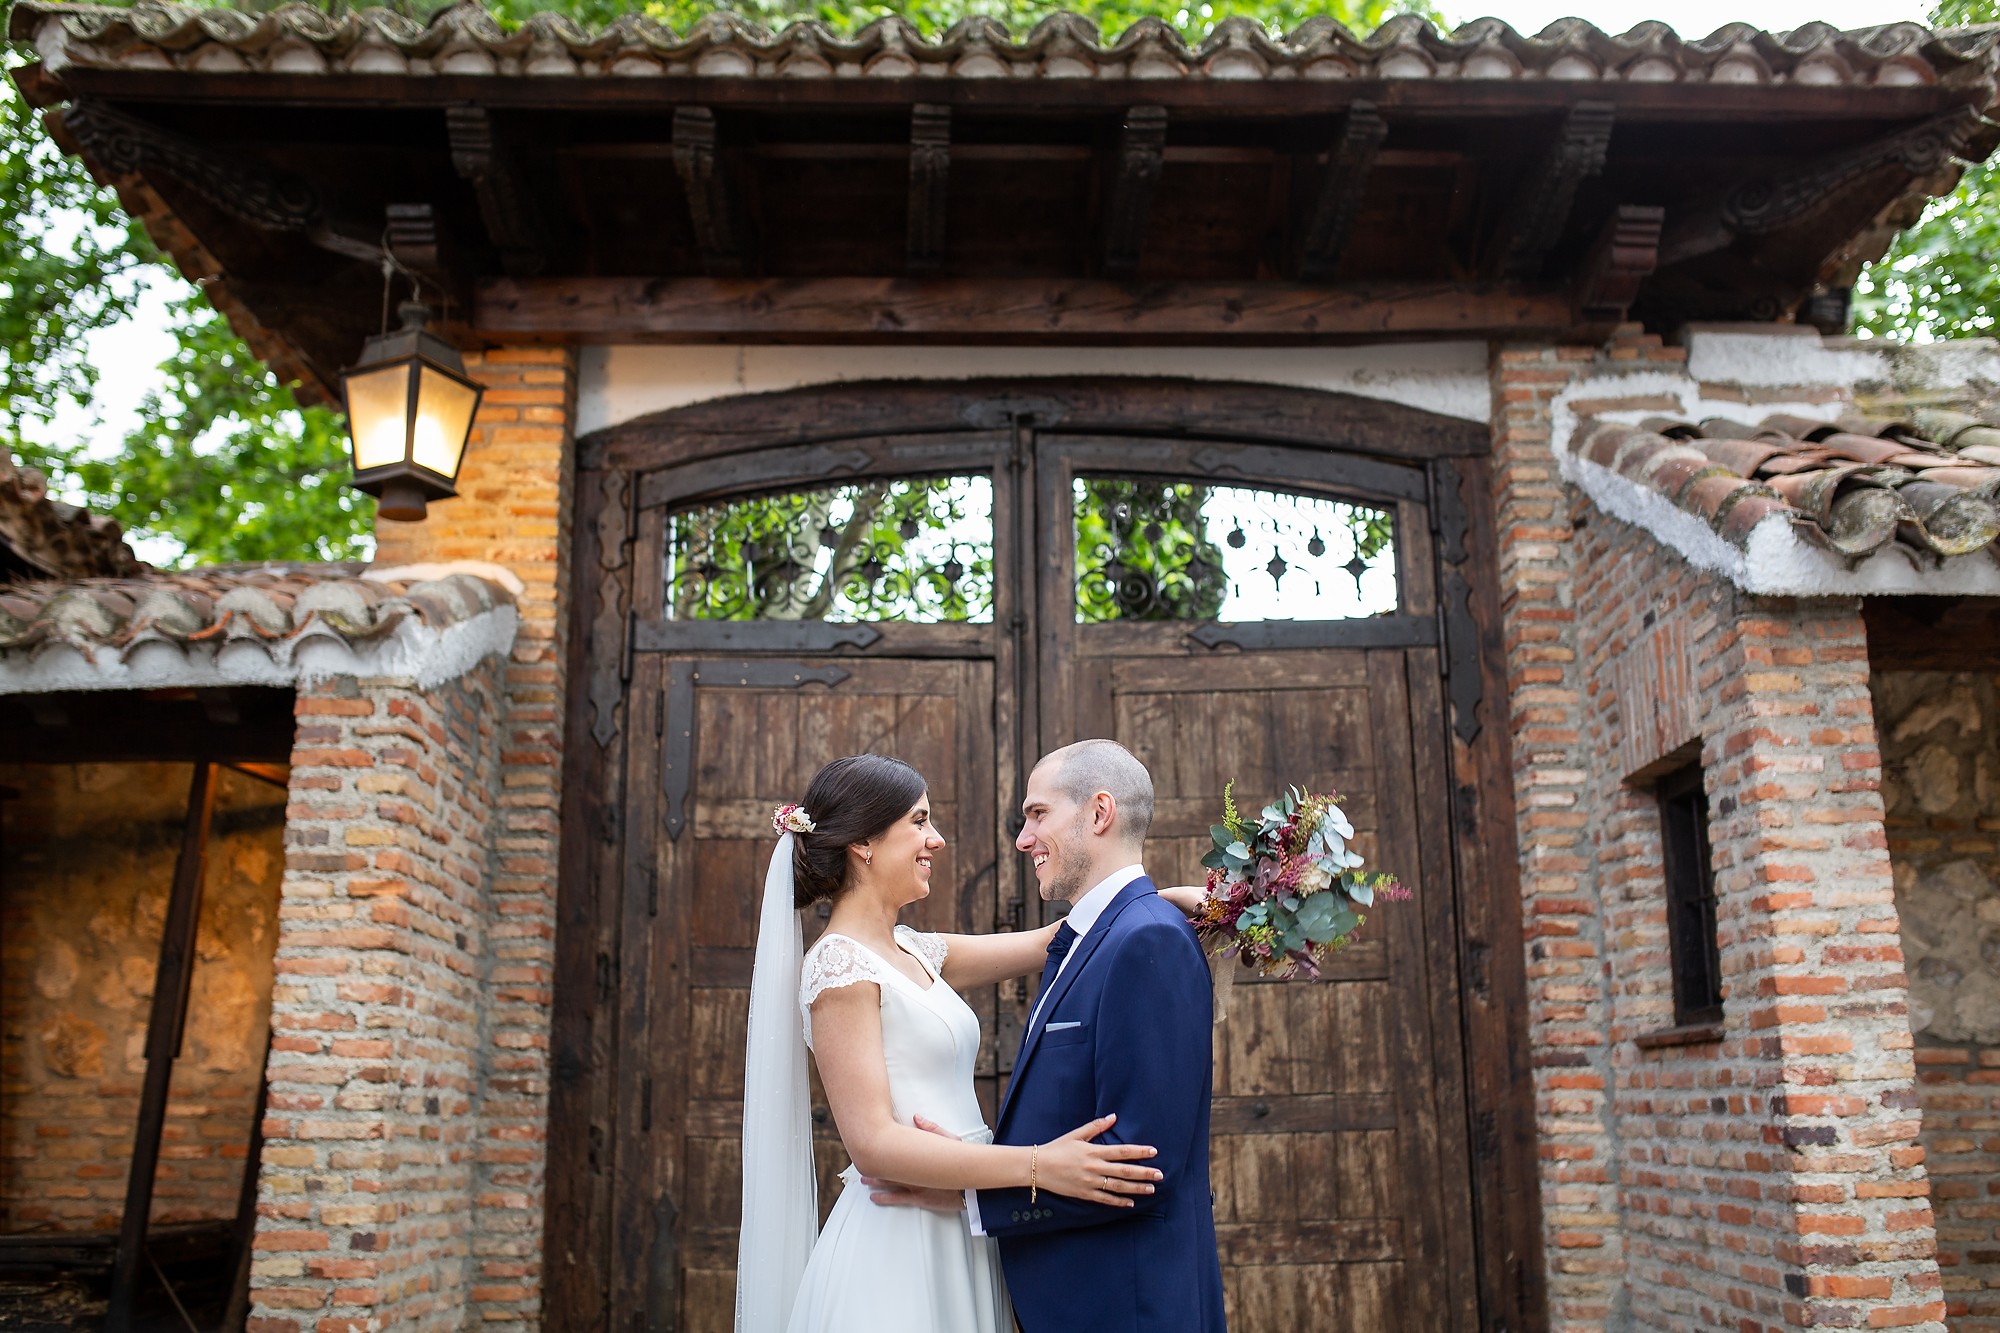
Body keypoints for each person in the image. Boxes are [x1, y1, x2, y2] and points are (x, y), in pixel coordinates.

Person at [736, 752, 1205, 1333]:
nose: (934, 838)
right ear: (864, 842)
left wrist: (1165, 900)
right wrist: (1037, 1166)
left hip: (967, 1222)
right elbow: (873, 1144)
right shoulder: (838, 966)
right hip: (901, 1237)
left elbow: (1065, 935)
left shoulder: (915, 949)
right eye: (918, 820)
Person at [874, 739, 1228, 1333]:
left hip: (1129, 1308)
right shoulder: (1096, 937)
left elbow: (1144, 1167)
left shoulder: (1150, 941)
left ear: (1098, 813)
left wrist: (973, 1196)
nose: (1022, 839)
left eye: (1038, 814)